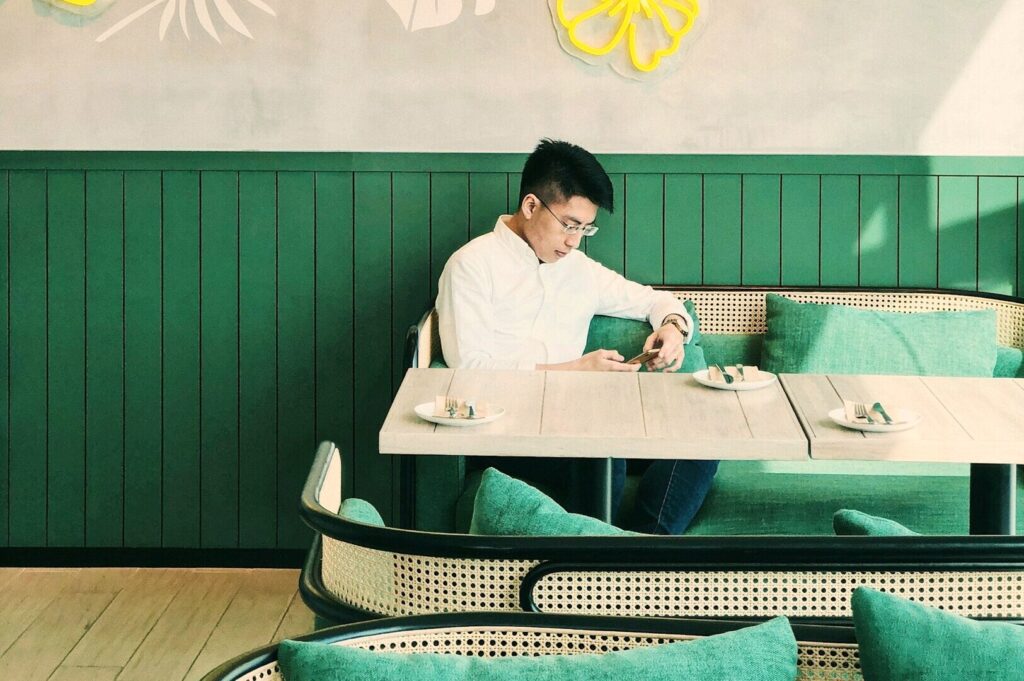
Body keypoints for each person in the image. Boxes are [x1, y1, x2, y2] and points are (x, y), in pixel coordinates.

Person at [435, 138, 718, 534]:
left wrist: (672, 328)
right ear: (531, 205)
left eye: (585, 229)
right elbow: (470, 370)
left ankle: (644, 553)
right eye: (568, 225)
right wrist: (575, 370)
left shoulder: (579, 269)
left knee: (702, 441)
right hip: (506, 431)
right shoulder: (471, 266)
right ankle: (600, 567)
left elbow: (655, 301)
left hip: (576, 422)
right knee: (600, 450)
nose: (574, 240)